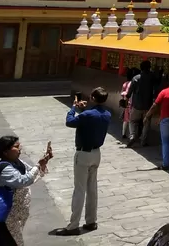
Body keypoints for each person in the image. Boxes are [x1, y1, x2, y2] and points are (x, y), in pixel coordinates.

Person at [57, 88, 110, 236]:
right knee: (92, 188)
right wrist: (83, 110)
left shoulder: (87, 115)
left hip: (83, 153)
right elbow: (90, 120)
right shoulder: (107, 114)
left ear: (93, 97)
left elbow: (70, 122)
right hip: (96, 153)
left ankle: (73, 225)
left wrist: (74, 107)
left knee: (80, 189)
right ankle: (91, 221)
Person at [0, 136, 51, 246]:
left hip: (19, 214)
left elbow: (30, 173)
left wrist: (44, 162)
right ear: (5, 151)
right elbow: (24, 180)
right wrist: (38, 165)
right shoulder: (4, 168)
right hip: (8, 216)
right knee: (14, 241)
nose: (20, 149)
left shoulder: (16, 161)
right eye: (16, 147)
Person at [146, 75, 169, 170]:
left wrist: (147, 115)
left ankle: (166, 163)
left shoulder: (164, 92)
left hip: (165, 120)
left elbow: (155, 105)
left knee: (166, 142)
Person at [126, 60, 157, 147]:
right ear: (149, 68)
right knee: (146, 124)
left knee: (132, 121)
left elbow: (130, 92)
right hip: (148, 105)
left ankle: (132, 135)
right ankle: (143, 141)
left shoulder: (136, 78)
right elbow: (157, 82)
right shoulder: (152, 77)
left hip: (136, 105)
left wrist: (126, 98)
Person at [119, 68, 136, 139]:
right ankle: (130, 135)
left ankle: (123, 133)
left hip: (125, 103)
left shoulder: (125, 84)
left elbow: (122, 93)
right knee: (130, 120)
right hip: (130, 103)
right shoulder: (132, 84)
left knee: (125, 119)